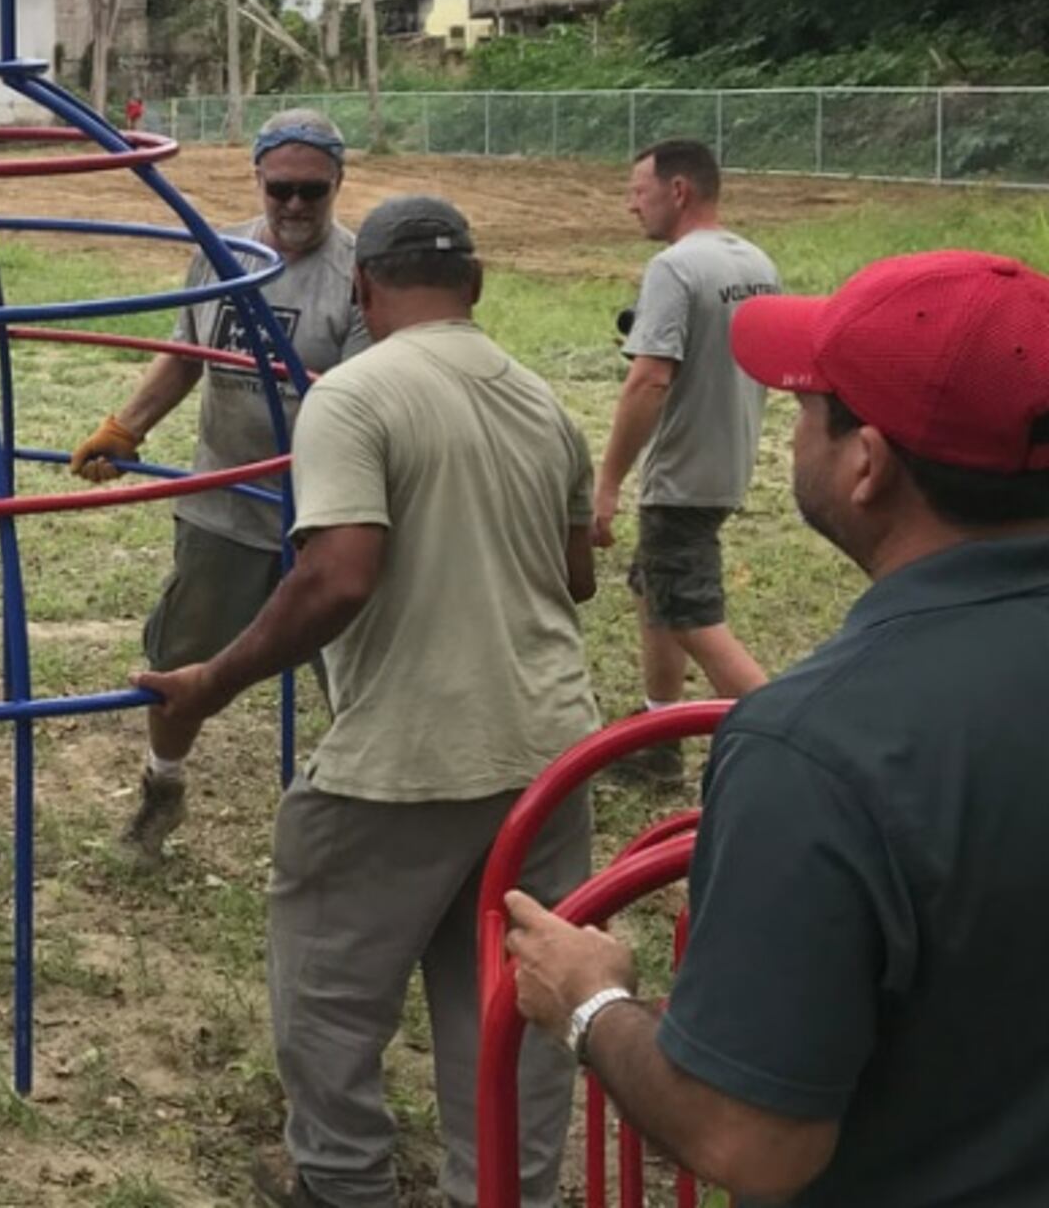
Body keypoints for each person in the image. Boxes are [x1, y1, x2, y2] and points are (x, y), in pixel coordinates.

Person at [504, 250, 1049, 1208]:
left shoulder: (818, 747)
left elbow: (750, 1138)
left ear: (867, 463)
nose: (790, 434)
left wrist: (590, 1001)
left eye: (804, 408)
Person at [134, 196, 602, 1208]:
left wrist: (210, 683)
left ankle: (343, 1186)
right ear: (475, 285)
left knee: (330, 990)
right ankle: (505, 1192)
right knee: (513, 1000)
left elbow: (337, 575)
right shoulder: (542, 402)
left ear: (362, 286)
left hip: (410, 754)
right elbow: (577, 577)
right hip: (552, 750)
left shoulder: (352, 395)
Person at [71, 107, 369, 865]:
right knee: (183, 654)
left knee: (359, 668)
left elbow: (374, 395)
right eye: (281, 189)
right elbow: (187, 350)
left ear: (337, 182)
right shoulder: (221, 252)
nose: (295, 206)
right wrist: (127, 426)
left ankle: (359, 818)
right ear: (258, 179)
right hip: (223, 499)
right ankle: (161, 787)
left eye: (313, 190)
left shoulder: (360, 274)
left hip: (328, 508)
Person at [594, 140, 782, 776]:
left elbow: (649, 378)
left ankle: (793, 739)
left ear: (679, 192)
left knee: (693, 615)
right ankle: (659, 733)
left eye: (638, 191)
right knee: (658, 587)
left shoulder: (675, 268)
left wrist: (609, 481)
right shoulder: (755, 261)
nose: (629, 205)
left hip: (683, 472)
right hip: (729, 459)